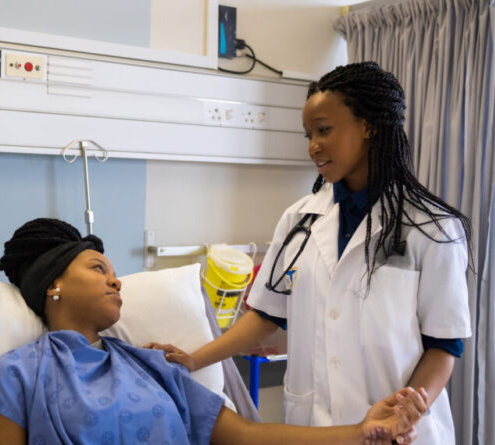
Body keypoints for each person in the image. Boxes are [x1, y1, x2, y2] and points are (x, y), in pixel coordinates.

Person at [147, 62, 472, 444]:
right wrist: (195, 358)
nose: (313, 145)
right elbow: (268, 314)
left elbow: (444, 344)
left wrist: (408, 409)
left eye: (323, 130)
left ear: (367, 126)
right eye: (308, 134)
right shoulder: (299, 220)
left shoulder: (432, 227)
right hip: (316, 427)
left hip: (400, 431)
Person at [0, 218, 429, 445]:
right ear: (53, 284)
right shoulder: (13, 379)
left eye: (114, 271)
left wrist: (363, 430)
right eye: (98, 268)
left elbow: (246, 436)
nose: (116, 279)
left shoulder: (151, 366)